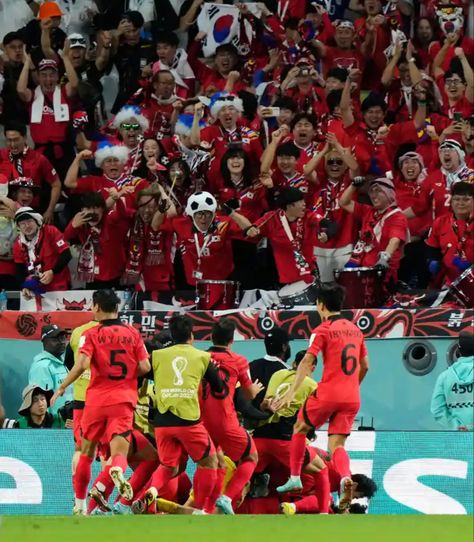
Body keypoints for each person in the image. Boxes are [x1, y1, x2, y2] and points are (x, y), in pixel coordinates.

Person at [51, 289, 151, 515]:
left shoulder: (91, 334)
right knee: (119, 454)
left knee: (85, 453)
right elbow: (145, 367)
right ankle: (116, 470)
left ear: (96, 307)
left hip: (95, 402)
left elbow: (82, 364)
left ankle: (79, 506)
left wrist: (63, 386)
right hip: (123, 401)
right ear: (117, 308)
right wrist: (126, 376)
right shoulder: (133, 334)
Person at [275, 284, 369, 508]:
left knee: (300, 428)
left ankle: (295, 476)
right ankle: (346, 477)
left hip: (328, 392)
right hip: (352, 396)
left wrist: (291, 393)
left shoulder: (322, 330)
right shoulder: (356, 331)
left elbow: (307, 361)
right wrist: (351, 386)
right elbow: (365, 366)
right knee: (337, 445)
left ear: (321, 305)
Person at [143, 315, 223, 514]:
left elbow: (146, 374)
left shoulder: (157, 356)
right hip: (188, 421)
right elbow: (219, 388)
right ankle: (201, 509)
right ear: (192, 335)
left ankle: (152, 490)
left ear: (172, 334)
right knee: (209, 461)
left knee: (168, 465)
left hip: (162, 422)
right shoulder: (203, 357)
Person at [201, 318, 262, 515]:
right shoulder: (239, 360)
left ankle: (206, 509)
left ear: (211, 336)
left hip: (201, 421)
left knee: (215, 463)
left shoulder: (199, 357)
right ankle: (227, 497)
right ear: (232, 340)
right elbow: (249, 393)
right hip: (225, 419)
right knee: (251, 456)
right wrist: (257, 389)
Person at [230, 188, 324, 288]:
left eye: (303, 200)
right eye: (300, 201)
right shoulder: (272, 218)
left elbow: (326, 224)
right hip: (286, 279)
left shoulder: (308, 216)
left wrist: (326, 233)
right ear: (289, 206)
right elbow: (253, 231)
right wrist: (234, 215)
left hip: (310, 273)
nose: (304, 204)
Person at [339, 177, 408, 290]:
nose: (373, 195)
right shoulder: (368, 211)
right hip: (360, 269)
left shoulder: (397, 216)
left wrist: (384, 258)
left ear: (389, 193)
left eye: (378, 191)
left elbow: (395, 240)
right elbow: (343, 202)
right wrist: (353, 185)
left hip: (381, 273)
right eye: (371, 191)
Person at [0, 122, 61, 221]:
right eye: (9, 140)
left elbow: (56, 184)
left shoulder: (39, 159)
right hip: (4, 212)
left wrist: (50, 210)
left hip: (32, 213)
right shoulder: (1, 155)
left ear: (24, 137)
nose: (12, 144)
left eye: (16, 140)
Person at [13, 206, 72, 298]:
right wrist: (24, 287)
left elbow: (66, 254)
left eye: (29, 221)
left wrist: (52, 272)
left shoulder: (50, 231)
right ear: (19, 227)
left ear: (37, 221)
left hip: (59, 285)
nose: (27, 226)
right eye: (22, 224)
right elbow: (19, 269)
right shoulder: (18, 243)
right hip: (35, 289)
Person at [425, 182, 473, 286]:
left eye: (466, 199)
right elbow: (433, 251)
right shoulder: (440, 222)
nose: (461, 203)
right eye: (456, 199)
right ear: (451, 201)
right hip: (449, 282)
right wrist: (433, 262)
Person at [431, 330, 474, 431]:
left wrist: (456, 427)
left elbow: (437, 410)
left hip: (457, 439)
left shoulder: (444, 377)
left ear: (458, 351)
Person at [28, 324, 72, 415]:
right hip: (54, 425)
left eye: (63, 337)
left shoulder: (63, 363)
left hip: (67, 422)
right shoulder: (42, 367)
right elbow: (41, 403)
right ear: (44, 341)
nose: (62, 342)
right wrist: (47, 427)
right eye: (56, 339)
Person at [249, 327, 292, 409]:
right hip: (273, 418)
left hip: (250, 417)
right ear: (284, 347)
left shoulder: (251, 365)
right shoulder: (287, 372)